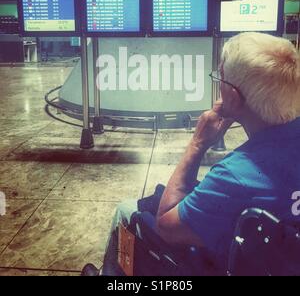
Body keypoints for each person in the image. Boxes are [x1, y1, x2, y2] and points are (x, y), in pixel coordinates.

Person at [85, 32, 300, 276]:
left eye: (221, 78)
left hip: (224, 266)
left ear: (232, 96)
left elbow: (166, 226)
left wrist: (198, 143)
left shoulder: (236, 174)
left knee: (126, 210)